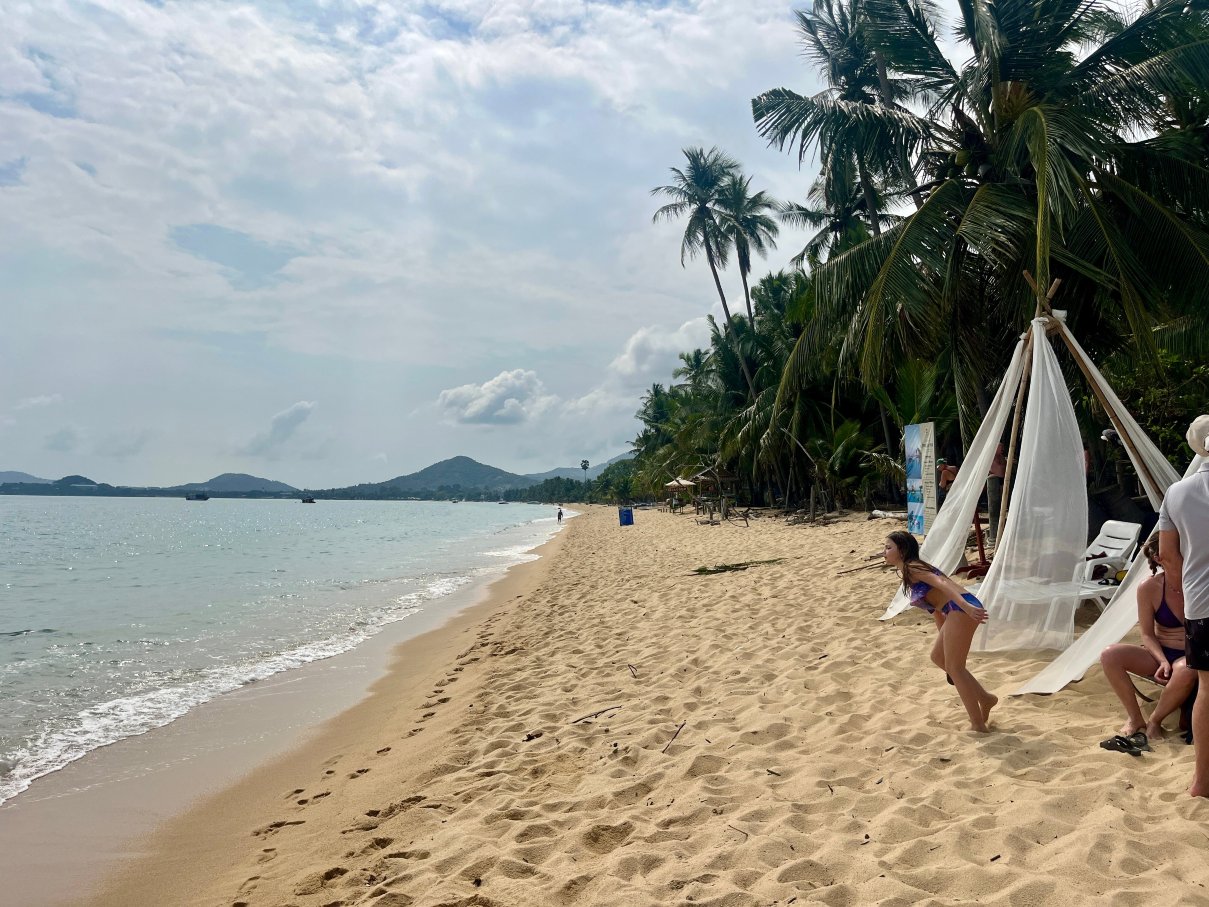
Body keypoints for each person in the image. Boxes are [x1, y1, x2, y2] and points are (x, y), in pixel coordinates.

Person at [883, 531, 997, 732]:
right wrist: (944, 638)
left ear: (902, 550)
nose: (884, 552)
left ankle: (978, 725)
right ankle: (985, 698)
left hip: (961, 607)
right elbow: (936, 610)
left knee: (955, 667)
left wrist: (966, 606)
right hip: (953, 610)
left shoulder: (912, 567)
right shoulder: (909, 573)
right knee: (938, 657)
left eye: (888, 547)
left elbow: (943, 583)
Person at [1098, 534, 1195, 752]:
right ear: (1159, 558)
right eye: (1177, 549)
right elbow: (1147, 635)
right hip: (1161, 651)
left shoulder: (1199, 582)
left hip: (1191, 654)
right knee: (1109, 655)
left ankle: (1155, 721)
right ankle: (1135, 718)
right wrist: (1162, 661)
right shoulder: (1149, 587)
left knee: (1186, 668)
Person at [1158, 414, 1209, 797]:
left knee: (1207, 689)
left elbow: (1168, 557)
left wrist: (1186, 592)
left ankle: (1201, 782)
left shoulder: (1176, 493)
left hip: (1202, 604)